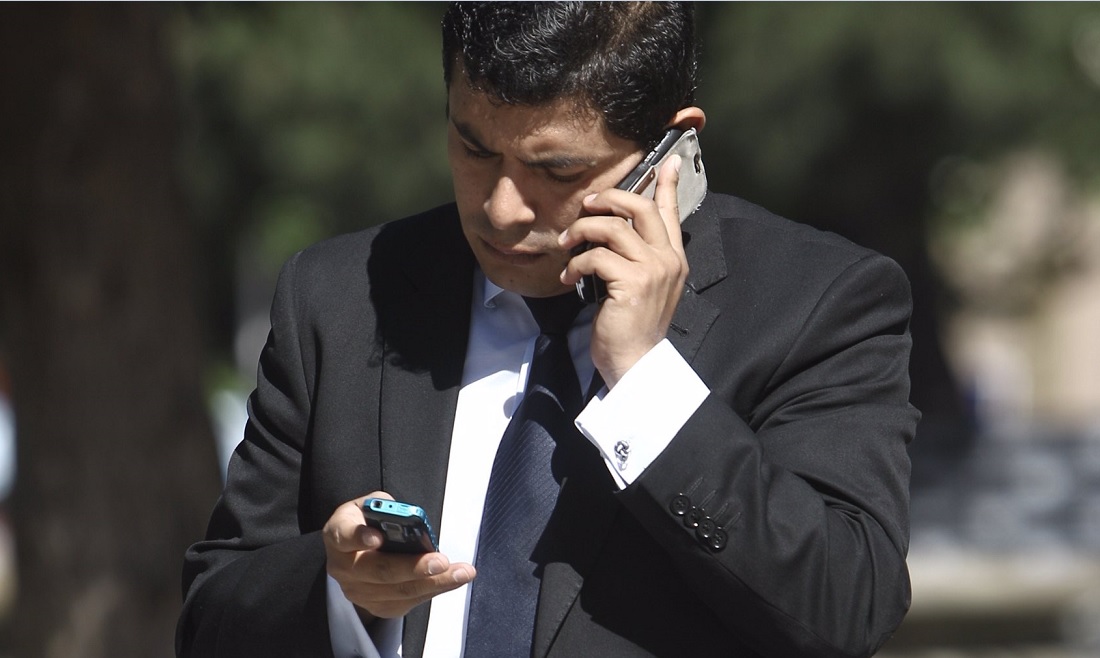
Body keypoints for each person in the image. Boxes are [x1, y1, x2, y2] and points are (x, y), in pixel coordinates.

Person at [177, 3, 918, 657]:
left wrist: (647, 382)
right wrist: (339, 589)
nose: (503, 209)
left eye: (556, 171)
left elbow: (844, 611)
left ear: (673, 149)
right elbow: (212, 614)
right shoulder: (340, 296)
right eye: (474, 149)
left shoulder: (819, 302)